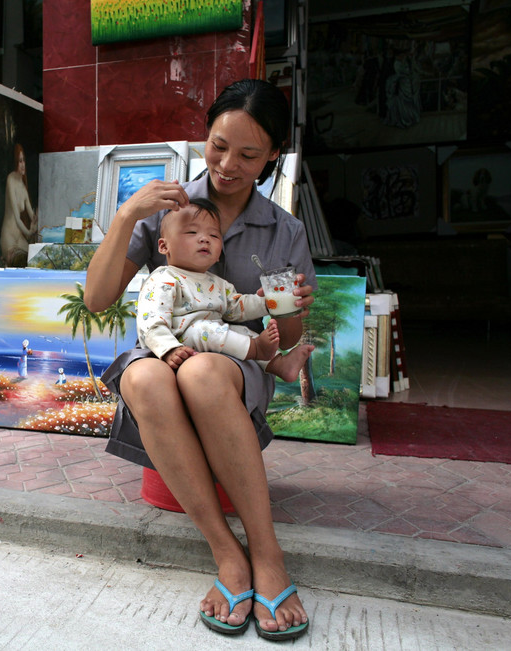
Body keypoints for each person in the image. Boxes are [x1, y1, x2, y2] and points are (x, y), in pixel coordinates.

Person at [83, 79, 314, 641]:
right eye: (217, 146)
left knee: (204, 370)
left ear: (273, 157)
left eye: (249, 155)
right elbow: (95, 299)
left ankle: (267, 554)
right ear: (204, 138)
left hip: (233, 362)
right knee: (142, 376)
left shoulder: (284, 230)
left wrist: (292, 307)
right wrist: (124, 216)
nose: (227, 165)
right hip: (167, 348)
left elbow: (285, 335)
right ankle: (227, 555)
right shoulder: (167, 210)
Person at [139, 198, 313, 383]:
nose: (205, 238)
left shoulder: (217, 283)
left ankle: (279, 364)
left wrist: (270, 302)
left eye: (214, 236)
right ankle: (255, 349)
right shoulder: (163, 279)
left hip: (212, 339)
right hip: (178, 341)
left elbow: (237, 307)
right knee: (206, 330)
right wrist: (169, 349)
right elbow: (151, 323)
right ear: (164, 246)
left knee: (242, 331)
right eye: (191, 232)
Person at [0, 143, 37, 266]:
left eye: (24, 161)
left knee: (33, 259)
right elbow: (17, 217)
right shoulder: (11, 179)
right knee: (17, 262)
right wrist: (29, 233)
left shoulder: (22, 184)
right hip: (9, 236)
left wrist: (37, 221)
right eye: (20, 161)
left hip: (19, 237)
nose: (23, 164)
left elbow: (32, 215)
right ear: (15, 162)